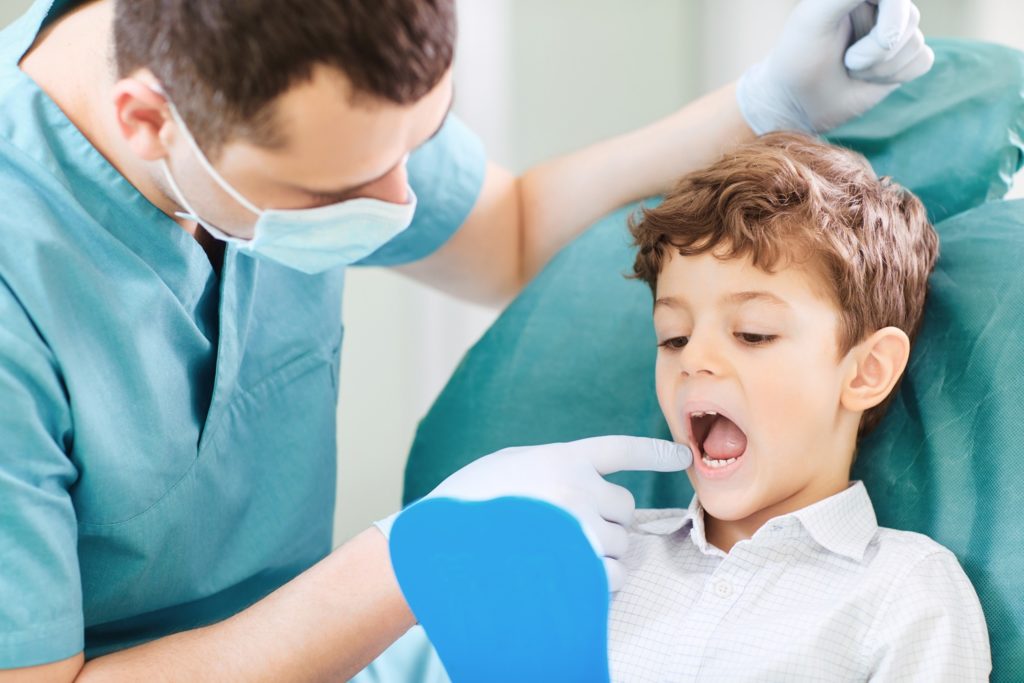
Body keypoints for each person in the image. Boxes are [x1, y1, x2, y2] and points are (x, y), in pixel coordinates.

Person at [0, 0, 933, 679]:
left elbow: (510, 232)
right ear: (147, 119)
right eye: (340, 191)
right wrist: (405, 558)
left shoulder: (901, 599)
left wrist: (767, 104)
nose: (404, 203)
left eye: (420, 142)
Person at [613, 131, 991, 681]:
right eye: (674, 337)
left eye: (753, 333)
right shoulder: (609, 553)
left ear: (866, 371)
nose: (694, 359)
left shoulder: (903, 591)